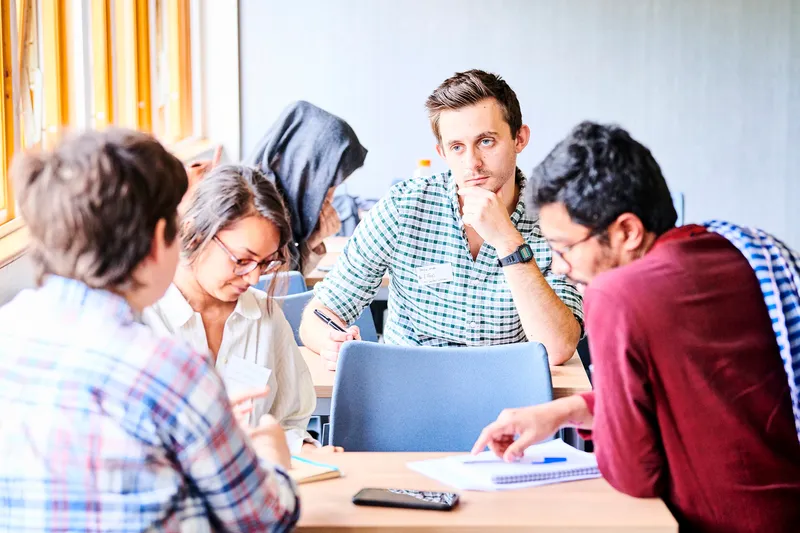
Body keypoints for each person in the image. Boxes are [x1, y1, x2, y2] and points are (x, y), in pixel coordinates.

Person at [472, 122, 800, 532]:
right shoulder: (745, 252)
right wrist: (566, 411)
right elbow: (699, 397)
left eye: (563, 247)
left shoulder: (618, 295)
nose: (558, 266)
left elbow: (633, 475)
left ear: (627, 231)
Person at [0, 130, 299, 531]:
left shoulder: (9, 332)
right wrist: (274, 458)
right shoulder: (169, 370)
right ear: (161, 238)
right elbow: (265, 518)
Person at [299, 69, 583, 369]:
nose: (472, 163)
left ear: (519, 138)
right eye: (457, 147)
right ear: (442, 152)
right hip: (409, 388)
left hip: (505, 389)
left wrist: (508, 242)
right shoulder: (403, 206)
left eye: (486, 141)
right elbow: (320, 314)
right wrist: (330, 342)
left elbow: (557, 347)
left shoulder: (555, 220)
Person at [143, 164, 340, 454]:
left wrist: (306, 452)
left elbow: (289, 423)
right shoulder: (142, 318)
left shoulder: (265, 318)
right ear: (194, 233)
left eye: (266, 263)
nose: (254, 278)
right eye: (242, 261)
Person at [249, 100, 368, 274]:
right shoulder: (256, 208)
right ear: (304, 167)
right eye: (329, 185)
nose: (331, 197)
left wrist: (313, 241)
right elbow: (272, 285)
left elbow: (287, 281)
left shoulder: (283, 200)